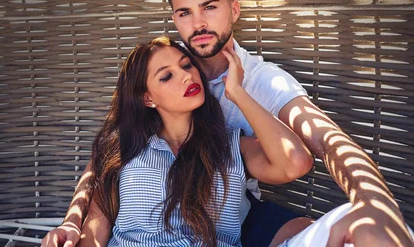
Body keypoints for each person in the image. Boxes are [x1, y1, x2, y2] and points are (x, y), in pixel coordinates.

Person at [42, 0, 414, 247]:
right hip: (183, 212)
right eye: (185, 13)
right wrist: (73, 223)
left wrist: (374, 203)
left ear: (233, 10)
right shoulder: (153, 94)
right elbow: (104, 165)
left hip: (230, 206)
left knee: (361, 227)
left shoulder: (260, 82)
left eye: (210, 7)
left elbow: (325, 141)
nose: (198, 24)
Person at [78, 35, 314, 246]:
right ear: (148, 99)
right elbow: (96, 225)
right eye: (167, 76)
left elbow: (295, 162)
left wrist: (238, 93)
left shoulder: (231, 147)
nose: (186, 76)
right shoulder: (125, 151)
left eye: (187, 65)